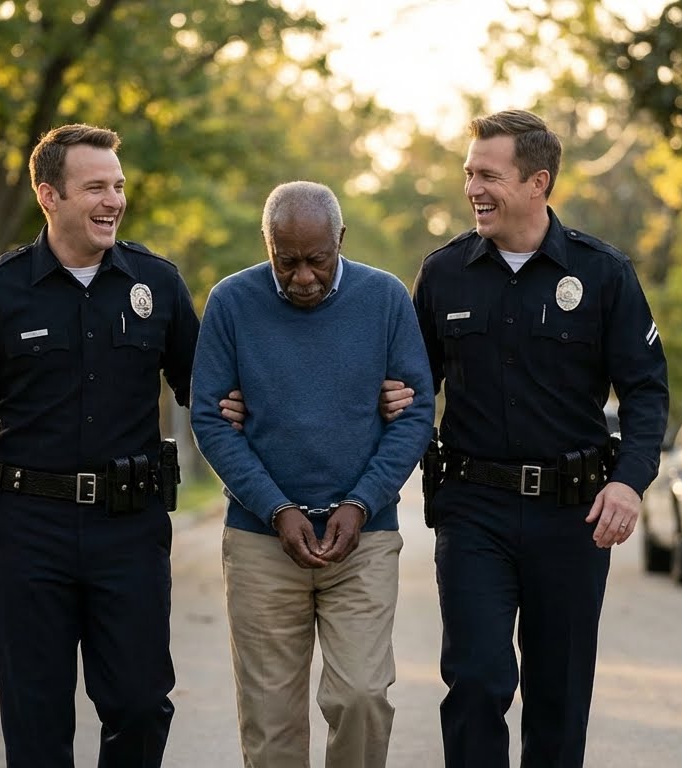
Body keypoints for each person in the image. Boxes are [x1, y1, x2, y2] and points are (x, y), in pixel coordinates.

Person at [0, 123, 199, 767]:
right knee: (35, 717)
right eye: (95, 187)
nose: (113, 201)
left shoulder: (157, 285)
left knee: (139, 703)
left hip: (129, 529)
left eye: (119, 186)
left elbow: (208, 394)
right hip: (29, 530)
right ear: (49, 195)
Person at [413, 109, 669, 766]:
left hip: (571, 512)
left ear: (537, 182)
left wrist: (628, 480)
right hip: (473, 510)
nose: (472, 187)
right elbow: (410, 388)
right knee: (474, 680)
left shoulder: (604, 274)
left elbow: (645, 389)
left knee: (557, 697)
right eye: (469, 173)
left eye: (488, 175)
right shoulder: (443, 275)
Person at [190, 180, 435, 768]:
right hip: (260, 542)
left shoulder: (384, 299)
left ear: (340, 241)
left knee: (362, 697)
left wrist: (362, 501)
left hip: (364, 537)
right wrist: (277, 508)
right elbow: (210, 418)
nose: (302, 276)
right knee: (271, 723)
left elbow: (417, 411)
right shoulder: (231, 302)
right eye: (286, 261)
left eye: (317, 260)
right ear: (267, 246)